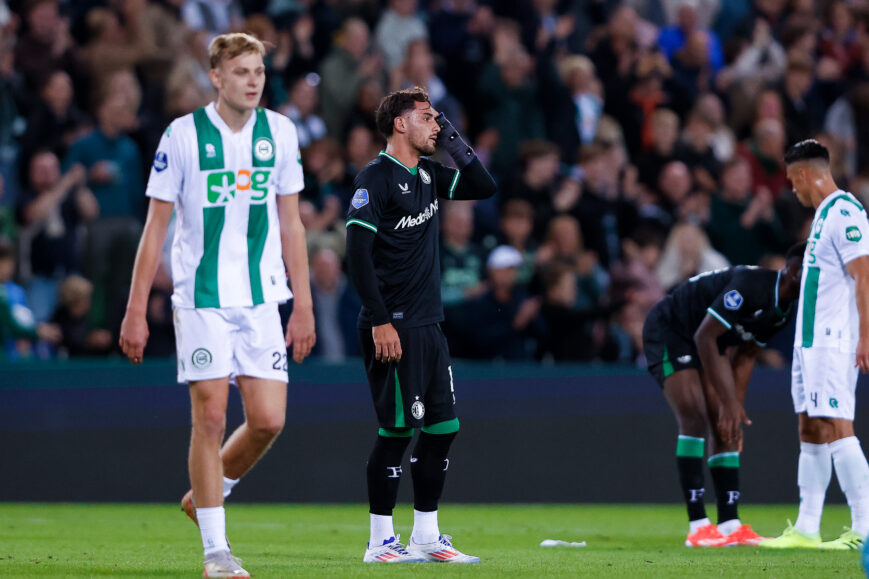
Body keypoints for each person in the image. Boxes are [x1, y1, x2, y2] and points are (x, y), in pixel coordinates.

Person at [118, 33, 316, 578]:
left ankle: (207, 492)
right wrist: (136, 309)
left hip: (261, 299)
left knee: (268, 420)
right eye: (243, 71)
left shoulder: (280, 132)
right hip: (201, 299)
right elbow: (156, 226)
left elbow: (292, 223)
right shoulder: (182, 136)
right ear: (217, 76)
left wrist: (304, 305)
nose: (254, 80)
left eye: (259, 71)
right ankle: (216, 551)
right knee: (209, 416)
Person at [345, 86, 496, 563]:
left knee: (443, 428)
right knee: (396, 432)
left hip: (430, 325)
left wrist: (452, 137)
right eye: (429, 118)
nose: (437, 125)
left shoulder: (429, 174)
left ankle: (426, 538)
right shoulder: (376, 178)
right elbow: (357, 256)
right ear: (399, 124)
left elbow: (482, 186)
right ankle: (379, 542)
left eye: (439, 120)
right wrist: (380, 320)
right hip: (394, 326)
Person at [642, 241, 806, 547]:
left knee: (725, 423)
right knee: (695, 415)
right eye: (818, 273)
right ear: (795, 272)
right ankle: (698, 526)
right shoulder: (751, 285)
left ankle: (730, 524)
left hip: (707, 341)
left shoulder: (783, 311)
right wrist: (729, 403)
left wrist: (735, 409)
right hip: (672, 329)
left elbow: (745, 355)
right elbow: (705, 335)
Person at [761, 140, 869, 550]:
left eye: (793, 181)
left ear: (806, 175)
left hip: (832, 339)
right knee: (809, 427)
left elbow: (865, 276)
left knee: (838, 427)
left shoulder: (846, 213)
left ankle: (864, 528)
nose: (793, 190)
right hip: (809, 344)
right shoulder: (823, 216)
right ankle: (807, 528)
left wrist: (866, 336)